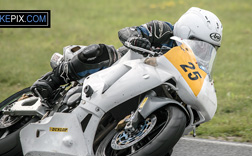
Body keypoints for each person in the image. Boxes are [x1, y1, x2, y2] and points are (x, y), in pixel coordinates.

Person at [31, 7, 223, 104]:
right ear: (185, 32)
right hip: (121, 68)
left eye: (209, 49)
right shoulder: (162, 30)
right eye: (200, 45)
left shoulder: (197, 68)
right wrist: (136, 40)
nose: (203, 52)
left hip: (145, 89)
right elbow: (127, 31)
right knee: (101, 52)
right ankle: (52, 80)